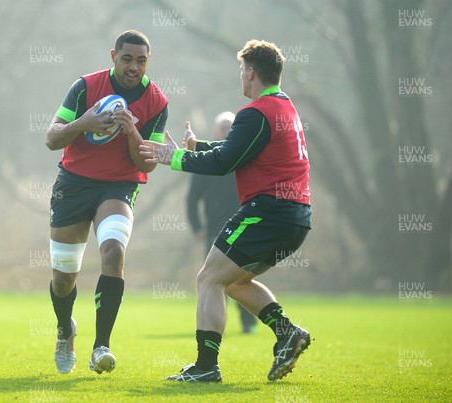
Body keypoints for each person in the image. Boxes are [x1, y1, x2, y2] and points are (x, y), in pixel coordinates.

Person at [140, 39, 311, 382]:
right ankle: (288, 332)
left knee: (208, 278)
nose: (241, 78)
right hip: (296, 217)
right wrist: (197, 146)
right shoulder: (284, 108)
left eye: (241, 71)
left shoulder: (255, 112)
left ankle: (206, 367)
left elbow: (223, 162)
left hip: (268, 211)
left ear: (250, 72)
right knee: (233, 281)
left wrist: (172, 157)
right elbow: (240, 149)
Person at [45, 30, 168, 375]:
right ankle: (64, 328)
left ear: (148, 61)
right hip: (73, 185)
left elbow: (147, 163)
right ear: (113, 56)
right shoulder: (85, 87)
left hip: (118, 186)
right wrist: (83, 122)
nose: (133, 67)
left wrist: (132, 132)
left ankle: (101, 346)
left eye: (141, 60)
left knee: (113, 251)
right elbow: (51, 138)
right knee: (63, 279)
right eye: (127, 58)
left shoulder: (157, 101)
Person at [185, 111, 258, 334]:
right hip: (215, 231)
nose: (227, 133)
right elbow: (192, 198)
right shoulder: (208, 161)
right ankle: (214, 326)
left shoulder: (245, 158)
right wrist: (197, 227)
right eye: (223, 128)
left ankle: (248, 323)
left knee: (241, 277)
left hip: (245, 227)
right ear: (216, 131)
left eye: (231, 128)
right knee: (213, 278)